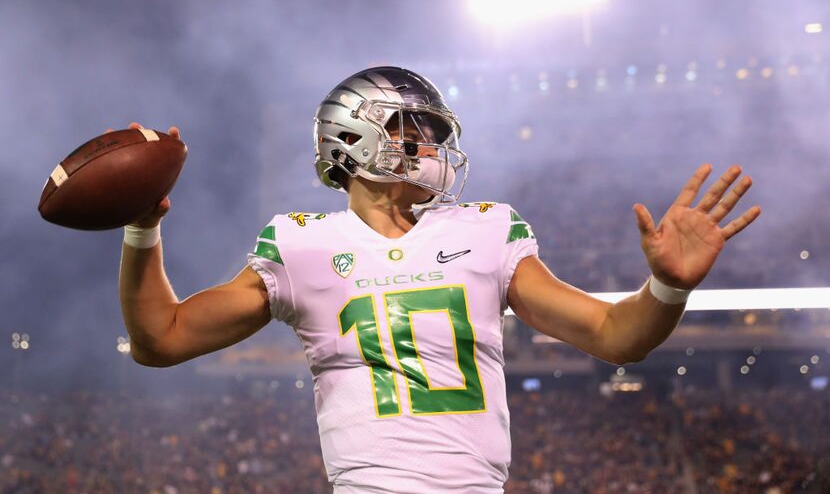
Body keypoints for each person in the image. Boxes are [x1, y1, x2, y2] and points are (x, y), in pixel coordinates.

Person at [118, 66, 761, 493]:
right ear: (355, 139)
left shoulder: (486, 229)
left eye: (432, 133)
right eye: (413, 131)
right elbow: (162, 339)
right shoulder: (300, 243)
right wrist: (142, 230)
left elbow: (616, 335)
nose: (430, 147)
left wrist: (668, 287)